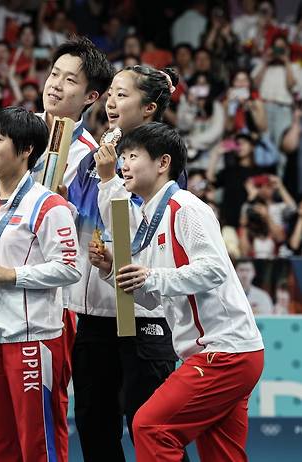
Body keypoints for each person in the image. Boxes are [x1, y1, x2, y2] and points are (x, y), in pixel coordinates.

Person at [90, 122, 264, 462]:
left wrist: (151, 276)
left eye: (132, 156)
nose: (123, 164)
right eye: (122, 156)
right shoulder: (148, 217)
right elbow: (153, 298)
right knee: (221, 456)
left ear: (162, 162)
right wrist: (113, 269)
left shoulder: (185, 208)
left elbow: (213, 269)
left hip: (223, 352)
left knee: (150, 426)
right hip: (226, 353)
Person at [69, 64, 185, 462]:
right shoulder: (99, 151)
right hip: (93, 312)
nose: (111, 101)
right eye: (111, 92)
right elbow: (84, 217)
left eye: (122, 94)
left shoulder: (160, 159)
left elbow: (148, 230)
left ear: (149, 107)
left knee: (149, 427)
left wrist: (109, 180)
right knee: (94, 425)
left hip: (141, 312)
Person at [0, 106, 81, 461]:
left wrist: (12, 274)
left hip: (30, 340)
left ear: (27, 149)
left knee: (38, 445)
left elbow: (70, 268)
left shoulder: (49, 206)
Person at [30, 34, 114, 459]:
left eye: (70, 81)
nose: (56, 85)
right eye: (54, 74)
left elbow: (102, 231)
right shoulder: (13, 135)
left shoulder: (92, 158)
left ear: (91, 97)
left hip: (56, 303)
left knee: (48, 408)